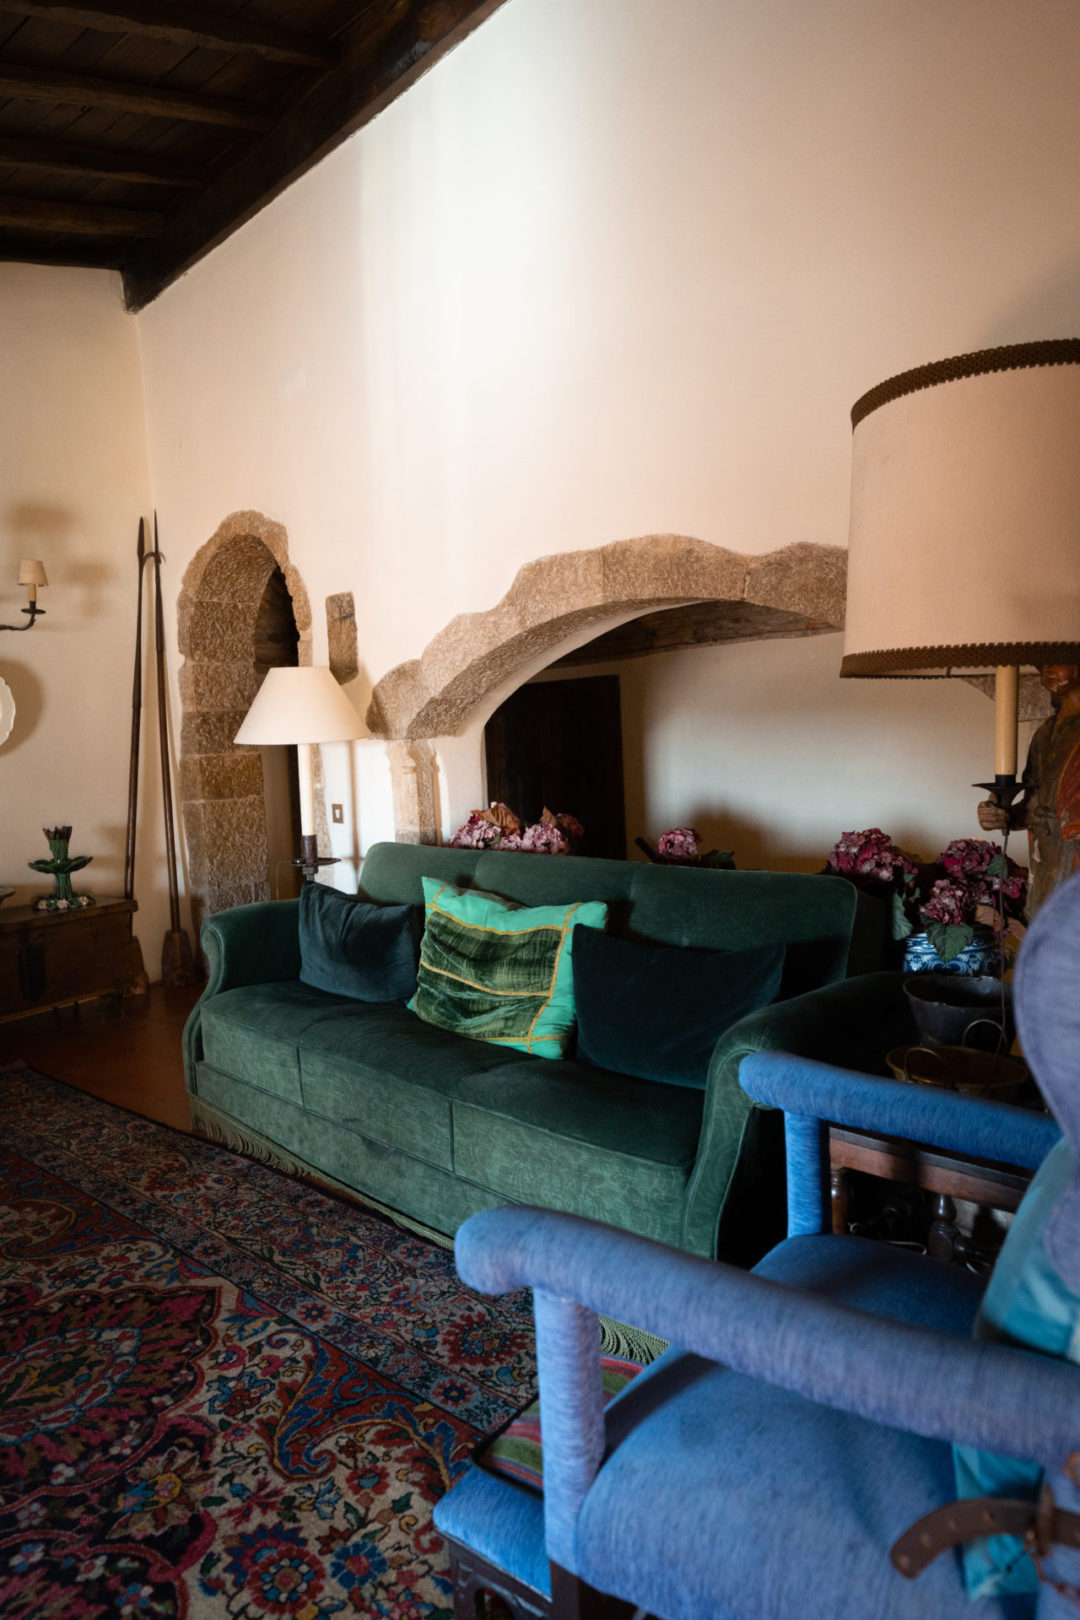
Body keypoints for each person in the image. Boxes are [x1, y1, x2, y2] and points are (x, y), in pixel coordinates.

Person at [978, 664, 1080, 919]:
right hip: (1046, 861)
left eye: (1058, 661)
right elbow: (1033, 806)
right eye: (1042, 663)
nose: (1048, 670)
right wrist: (1003, 814)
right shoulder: (1045, 734)